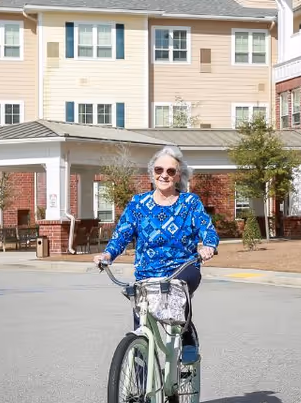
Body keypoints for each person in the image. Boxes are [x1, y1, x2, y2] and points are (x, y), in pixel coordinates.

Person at [93, 145, 219, 366]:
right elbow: (122, 235)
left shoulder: (190, 203)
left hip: (183, 267)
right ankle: (141, 388)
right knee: (141, 326)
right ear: (152, 172)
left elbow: (207, 230)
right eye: (159, 169)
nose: (164, 175)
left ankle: (187, 336)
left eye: (171, 171)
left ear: (179, 175)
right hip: (147, 272)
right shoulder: (138, 204)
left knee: (180, 289)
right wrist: (107, 255)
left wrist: (208, 246)